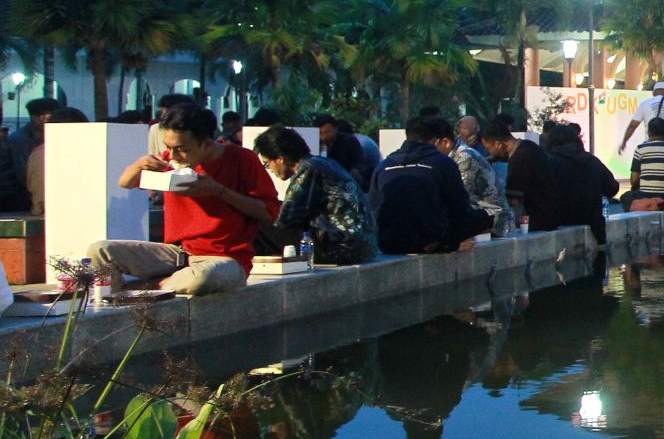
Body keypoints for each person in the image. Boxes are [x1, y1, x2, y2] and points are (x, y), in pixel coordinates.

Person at [89, 103, 280, 295]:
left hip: (225, 258)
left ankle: (149, 288)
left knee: (200, 279)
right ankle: (118, 301)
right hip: (178, 253)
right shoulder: (169, 160)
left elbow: (269, 212)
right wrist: (138, 165)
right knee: (100, 251)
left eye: (181, 148)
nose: (173, 155)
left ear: (205, 142)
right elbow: (125, 182)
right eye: (169, 147)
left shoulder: (242, 159)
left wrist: (219, 191)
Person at [252, 126, 377, 264]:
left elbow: (287, 218)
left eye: (267, 164)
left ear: (280, 158)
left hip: (341, 247)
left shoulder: (308, 168)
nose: (270, 170)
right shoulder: (325, 163)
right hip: (363, 246)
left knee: (256, 223)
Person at [370, 117, 492, 255]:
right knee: (483, 217)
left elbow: (374, 207)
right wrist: (454, 240)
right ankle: (449, 244)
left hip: (389, 242)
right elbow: (460, 208)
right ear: (436, 140)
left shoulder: (383, 165)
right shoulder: (443, 163)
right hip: (430, 242)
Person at [544, 120, 620, 240]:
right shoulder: (591, 160)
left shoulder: (550, 162)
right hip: (594, 228)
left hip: (560, 225)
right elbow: (612, 188)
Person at [481, 123, 562, 232]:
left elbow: (513, 200)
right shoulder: (529, 146)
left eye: (488, 148)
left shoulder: (519, 160)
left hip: (539, 220)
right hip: (553, 214)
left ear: (498, 144)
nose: (489, 152)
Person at [26, 106, 88, 214]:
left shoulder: (39, 152)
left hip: (44, 213)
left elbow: (35, 189)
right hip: (60, 215)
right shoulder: (87, 153)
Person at [450, 122, 510, 234]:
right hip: (483, 216)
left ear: (445, 142)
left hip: (494, 220)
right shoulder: (455, 154)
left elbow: (461, 193)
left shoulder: (465, 156)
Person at [625, 117, 664, 210]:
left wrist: (635, 188)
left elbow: (634, 180)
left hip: (647, 196)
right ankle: (662, 203)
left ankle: (652, 204)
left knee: (626, 197)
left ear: (649, 133)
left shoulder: (641, 149)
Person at [618, 82, 664, 155]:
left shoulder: (644, 104)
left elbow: (632, 126)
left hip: (649, 146)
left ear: (653, 93)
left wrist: (624, 142)